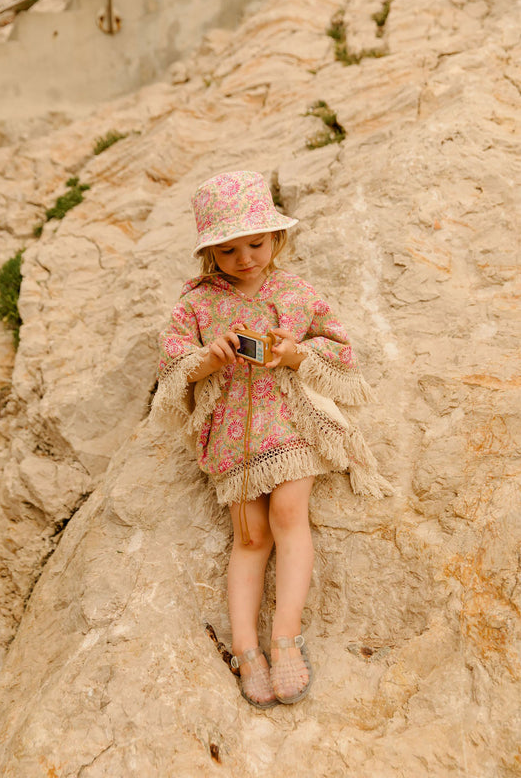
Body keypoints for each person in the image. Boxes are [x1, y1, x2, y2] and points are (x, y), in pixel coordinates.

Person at [154, 170, 391, 708]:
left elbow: (339, 349)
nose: (245, 259)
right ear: (209, 252)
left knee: (288, 516)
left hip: (287, 421)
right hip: (233, 431)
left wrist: (293, 353)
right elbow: (172, 365)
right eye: (228, 250)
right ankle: (246, 649)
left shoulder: (296, 292)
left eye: (256, 244)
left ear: (276, 237)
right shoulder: (195, 304)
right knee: (250, 536)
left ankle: (285, 637)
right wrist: (207, 359)